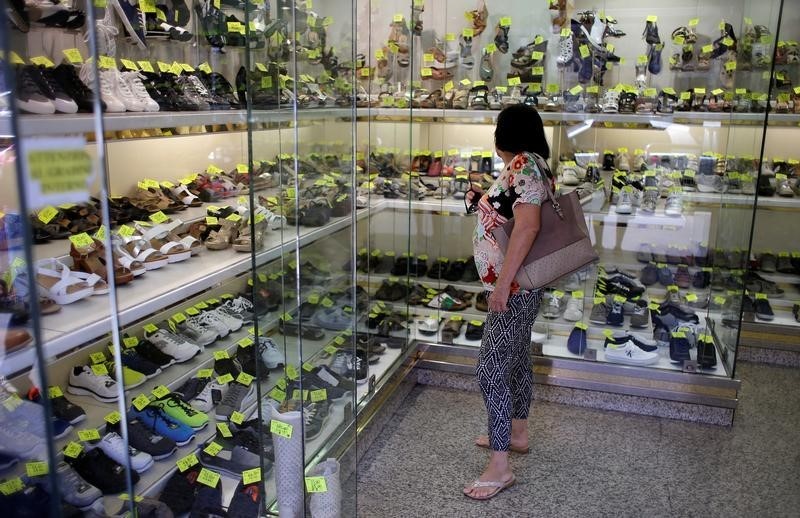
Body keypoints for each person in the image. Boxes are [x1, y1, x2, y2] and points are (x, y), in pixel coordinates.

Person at [462, 104, 554, 501]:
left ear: (506, 133)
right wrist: (485, 199)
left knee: (490, 369)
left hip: (513, 289)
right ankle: (517, 433)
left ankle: (500, 468)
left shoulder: (524, 164)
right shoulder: (532, 163)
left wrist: (502, 284)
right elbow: (517, 214)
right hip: (520, 285)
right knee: (516, 359)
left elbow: (529, 227)